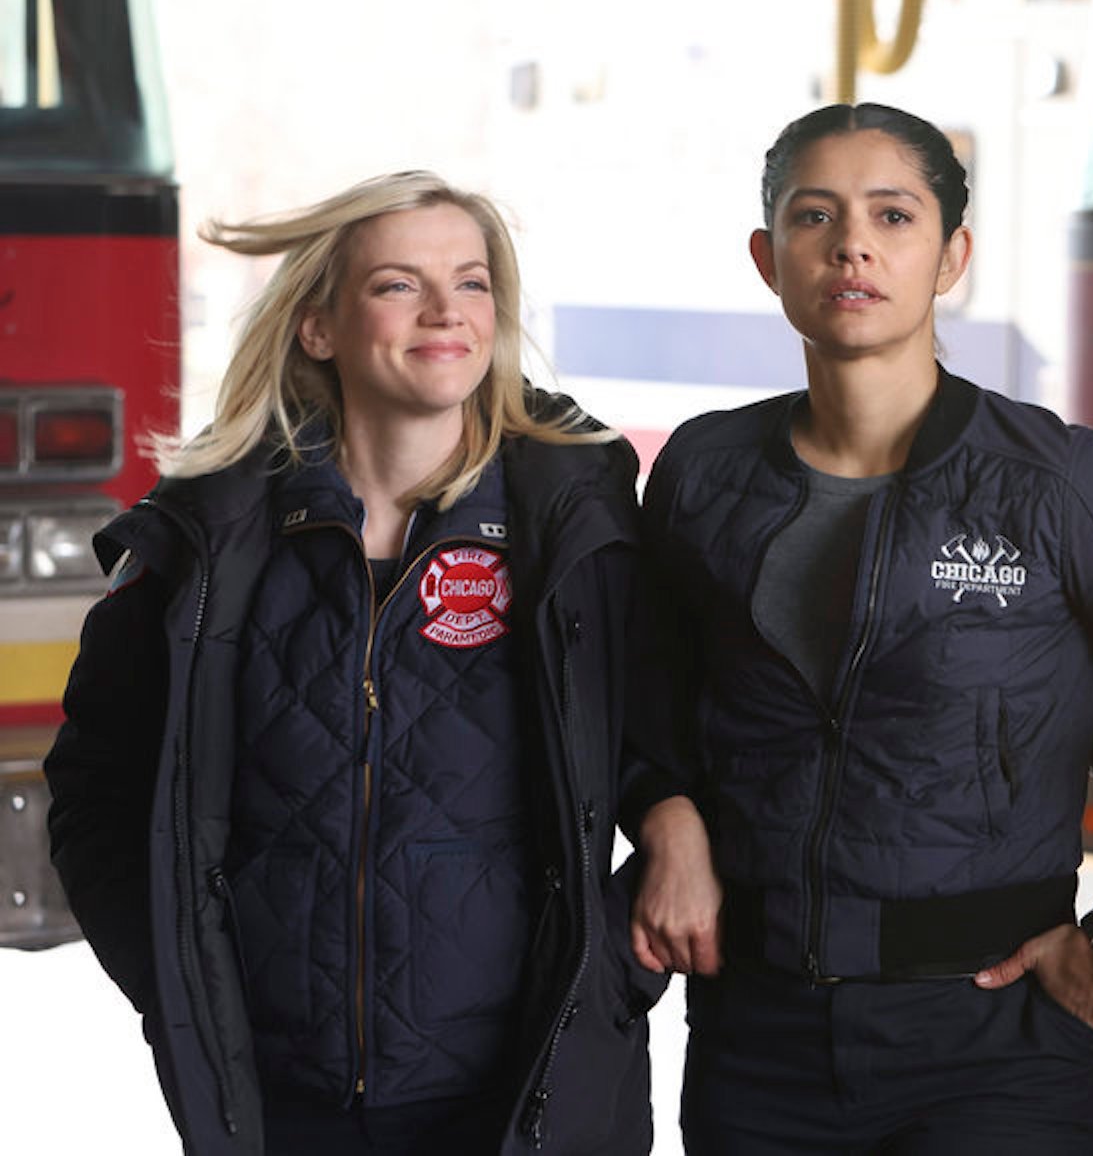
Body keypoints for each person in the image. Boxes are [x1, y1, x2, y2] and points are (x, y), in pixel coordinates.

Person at [622, 102, 1093, 1154]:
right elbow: (641, 690)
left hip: (994, 1042)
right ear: (768, 258)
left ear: (951, 257)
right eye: (815, 216)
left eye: (892, 216)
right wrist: (663, 809)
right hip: (754, 1042)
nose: (851, 243)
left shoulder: (1055, 481)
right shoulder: (701, 473)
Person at [44, 172, 667, 1155]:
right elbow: (95, 785)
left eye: (470, 283)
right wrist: (180, 984)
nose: (444, 312)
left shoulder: (572, 525)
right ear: (318, 327)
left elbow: (676, 747)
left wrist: (617, 965)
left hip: (523, 1098)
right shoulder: (211, 539)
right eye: (397, 285)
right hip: (282, 1104)